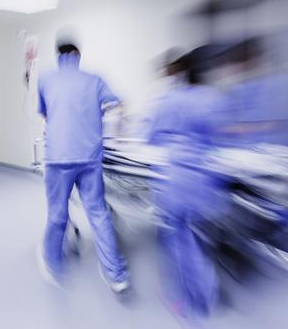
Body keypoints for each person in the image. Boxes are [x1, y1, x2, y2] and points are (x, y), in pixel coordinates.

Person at [37, 41, 130, 293]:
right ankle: (117, 276)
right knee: (99, 214)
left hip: (58, 159)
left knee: (57, 215)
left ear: (59, 56)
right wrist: (118, 133)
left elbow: (44, 115)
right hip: (89, 158)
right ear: (78, 55)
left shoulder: (45, 78)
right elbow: (120, 104)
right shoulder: (94, 80)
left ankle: (53, 265)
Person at [147, 46, 226, 319]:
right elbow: (220, 137)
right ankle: (207, 292)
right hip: (204, 182)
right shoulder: (212, 97)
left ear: (178, 72)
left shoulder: (169, 100)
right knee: (197, 240)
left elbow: (150, 136)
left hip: (177, 182)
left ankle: (191, 306)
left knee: (178, 242)